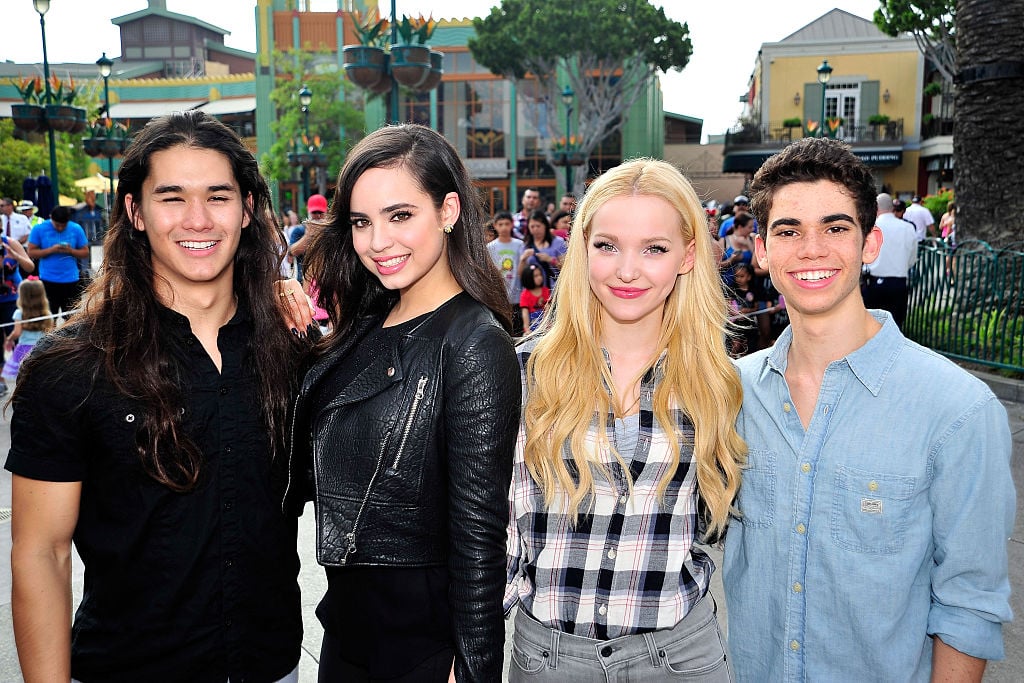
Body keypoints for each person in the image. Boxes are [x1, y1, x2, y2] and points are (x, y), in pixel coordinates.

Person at [6, 110, 307, 682]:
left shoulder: (293, 356)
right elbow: (40, 555)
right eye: (172, 197)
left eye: (218, 196)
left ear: (247, 210)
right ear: (135, 212)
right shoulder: (70, 367)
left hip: (271, 667)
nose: (197, 219)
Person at [723, 137, 1015, 682]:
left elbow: (969, 606)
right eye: (788, 231)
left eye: (835, 228)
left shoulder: (958, 411)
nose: (812, 249)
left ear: (870, 243)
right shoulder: (730, 395)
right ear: (761, 250)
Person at [283, 123, 520, 682]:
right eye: (362, 222)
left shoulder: (475, 343)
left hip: (422, 650)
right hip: (347, 635)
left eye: (400, 215)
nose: (378, 241)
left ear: (448, 211)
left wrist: (476, 665)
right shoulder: (361, 327)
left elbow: (480, 531)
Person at [506, 158, 745, 681]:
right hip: (546, 659)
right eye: (608, 245)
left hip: (679, 657)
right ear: (582, 250)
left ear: (686, 256)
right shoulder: (526, 371)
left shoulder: (719, 380)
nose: (628, 269)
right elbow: (500, 530)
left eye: (654, 249)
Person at [862, 192, 918, 328]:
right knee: (895, 326)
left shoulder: (869, 228)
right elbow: (912, 258)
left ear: (875, 208)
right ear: (892, 208)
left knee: (871, 327)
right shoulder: (908, 227)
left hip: (873, 282)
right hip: (898, 283)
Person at [26, 205, 89, 319]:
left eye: (63, 226)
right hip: (48, 279)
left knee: (72, 319)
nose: (60, 228)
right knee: (48, 319)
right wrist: (51, 250)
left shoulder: (76, 228)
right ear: (51, 218)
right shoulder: (39, 228)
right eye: (57, 225)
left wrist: (71, 251)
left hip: (71, 279)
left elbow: (85, 252)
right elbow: (31, 252)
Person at [2, 278, 53, 387]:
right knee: (40, 374)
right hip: (42, 347)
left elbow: (17, 332)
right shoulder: (47, 313)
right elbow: (50, 332)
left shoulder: (19, 313)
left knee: (24, 376)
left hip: (24, 349)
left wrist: (9, 339)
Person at [487, 210, 526, 336]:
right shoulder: (490, 247)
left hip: (518, 295)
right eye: (500, 224)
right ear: (495, 225)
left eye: (507, 224)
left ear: (512, 224)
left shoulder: (520, 245)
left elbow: (523, 269)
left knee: (517, 330)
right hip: (500, 296)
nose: (504, 227)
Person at [521, 209, 567, 289]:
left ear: (545, 225)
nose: (535, 229)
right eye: (532, 226)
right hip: (533, 293)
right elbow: (520, 274)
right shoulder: (526, 245)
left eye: (538, 226)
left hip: (553, 290)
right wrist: (523, 259)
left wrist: (550, 260)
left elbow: (566, 267)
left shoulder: (558, 242)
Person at [288, 193, 328, 282]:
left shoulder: (331, 231)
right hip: (304, 280)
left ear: (326, 211)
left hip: (327, 280)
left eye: (320, 212)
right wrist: (308, 235)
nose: (317, 216)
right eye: (314, 212)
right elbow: (292, 252)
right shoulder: (299, 230)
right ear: (308, 211)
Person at [518, 263, 549, 332]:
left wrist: (547, 322)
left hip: (545, 322)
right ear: (528, 278)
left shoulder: (545, 290)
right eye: (536, 276)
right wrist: (526, 327)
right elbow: (525, 312)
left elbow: (548, 308)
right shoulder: (525, 294)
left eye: (540, 275)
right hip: (532, 323)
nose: (539, 277)